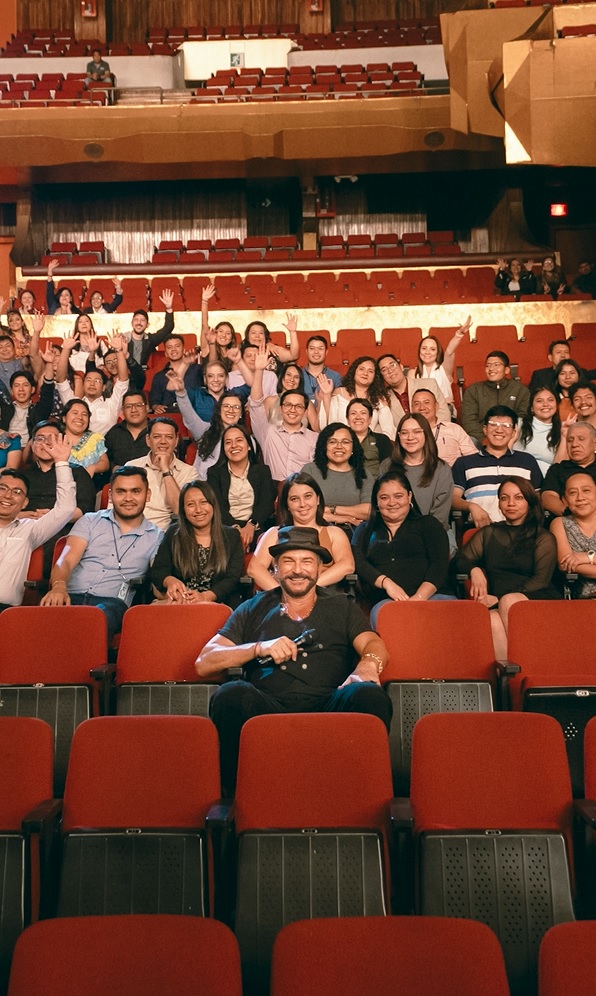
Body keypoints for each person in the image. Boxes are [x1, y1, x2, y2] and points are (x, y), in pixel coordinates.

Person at [196, 524, 392, 795]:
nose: (298, 570)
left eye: (307, 561)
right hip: (268, 707)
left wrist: (368, 665)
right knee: (230, 695)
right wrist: (258, 648)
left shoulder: (342, 606)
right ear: (275, 568)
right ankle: (235, 799)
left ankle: (366, 795)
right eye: (288, 561)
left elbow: (374, 644)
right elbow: (204, 662)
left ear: (319, 568)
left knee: (369, 694)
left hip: (330, 704)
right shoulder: (252, 608)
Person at [40, 466, 163, 641]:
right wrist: (59, 587)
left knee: (99, 617)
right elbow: (65, 560)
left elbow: (159, 576)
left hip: (112, 603)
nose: (128, 498)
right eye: (121, 492)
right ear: (111, 495)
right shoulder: (90, 521)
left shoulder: (157, 536)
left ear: (147, 495)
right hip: (70, 596)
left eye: (136, 491)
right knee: (41, 624)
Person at [454, 477, 561, 657]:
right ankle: (511, 674)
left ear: (529, 502)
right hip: (500, 603)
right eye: (504, 498)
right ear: (499, 503)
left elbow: (541, 581)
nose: (511, 503)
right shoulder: (489, 533)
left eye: (518, 498)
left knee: (508, 602)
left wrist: (499, 598)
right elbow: (459, 560)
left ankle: (532, 661)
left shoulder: (543, 537)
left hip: (536, 598)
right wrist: (474, 569)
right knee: (492, 620)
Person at [352, 468, 453, 628]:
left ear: (409, 496)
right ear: (376, 502)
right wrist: (387, 583)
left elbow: (439, 564)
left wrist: (418, 598)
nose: (392, 503)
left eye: (398, 496)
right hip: (387, 602)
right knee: (385, 613)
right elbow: (358, 561)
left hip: (433, 597)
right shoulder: (365, 530)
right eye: (384, 497)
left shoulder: (428, 524)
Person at [0, 439, 76, 610]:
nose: (8, 496)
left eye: (17, 492)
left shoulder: (30, 530)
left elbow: (66, 509)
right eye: (2, 488)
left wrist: (61, 463)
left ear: (25, 503)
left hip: (5, 612)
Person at [248, 471, 355, 591]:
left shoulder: (334, 533)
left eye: (307, 496)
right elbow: (254, 569)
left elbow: (347, 565)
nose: (302, 504)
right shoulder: (274, 533)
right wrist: (283, 594)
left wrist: (308, 590)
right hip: (280, 596)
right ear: (287, 505)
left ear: (318, 499)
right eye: (294, 499)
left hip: (323, 595)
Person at [20, 419, 97, 574]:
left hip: (64, 528)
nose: (46, 443)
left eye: (53, 438)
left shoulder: (77, 473)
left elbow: (85, 510)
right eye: (40, 439)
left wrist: (53, 517)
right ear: (32, 444)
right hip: (25, 528)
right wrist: (22, 516)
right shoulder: (22, 476)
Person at [150, 480, 244, 606]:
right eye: (190, 504)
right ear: (183, 510)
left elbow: (232, 578)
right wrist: (170, 581)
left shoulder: (231, 536)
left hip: (216, 603)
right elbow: (158, 571)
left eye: (204, 502)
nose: (198, 510)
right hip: (179, 602)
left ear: (213, 505)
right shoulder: (173, 533)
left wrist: (205, 596)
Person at [452, 405, 543, 526]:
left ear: (514, 432)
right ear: (485, 429)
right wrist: (471, 506)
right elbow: (453, 499)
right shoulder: (464, 463)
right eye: (493, 424)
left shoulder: (527, 461)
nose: (499, 430)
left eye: (506, 425)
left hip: (521, 530)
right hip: (481, 529)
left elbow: (538, 498)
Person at [248, 344, 318, 482]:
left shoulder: (313, 438)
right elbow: (255, 404)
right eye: (288, 405)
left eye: (298, 406)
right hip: (273, 488)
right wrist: (259, 370)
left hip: (302, 487)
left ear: (305, 411)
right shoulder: (268, 433)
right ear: (280, 408)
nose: (292, 409)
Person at [206, 424, 275, 552]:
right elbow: (217, 506)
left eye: (239, 440)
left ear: (249, 446)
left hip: (255, 527)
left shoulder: (262, 471)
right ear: (224, 449)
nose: (234, 446)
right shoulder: (214, 473)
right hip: (225, 528)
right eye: (228, 442)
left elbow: (266, 504)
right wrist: (234, 528)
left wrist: (251, 525)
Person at [379, 413, 454, 530]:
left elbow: (439, 518)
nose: (410, 437)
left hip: (433, 532)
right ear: (399, 436)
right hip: (394, 532)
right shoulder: (387, 466)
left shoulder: (441, 469)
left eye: (416, 432)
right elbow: (382, 506)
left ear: (426, 434)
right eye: (404, 433)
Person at [125, 416, 198, 530]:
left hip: (164, 533)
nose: (163, 442)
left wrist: (165, 470)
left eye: (169, 437)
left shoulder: (189, 472)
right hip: (130, 528)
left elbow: (179, 510)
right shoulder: (131, 467)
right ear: (148, 440)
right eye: (157, 437)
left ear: (176, 441)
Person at [55, 332, 129, 436]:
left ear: (104, 387)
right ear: (83, 385)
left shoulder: (112, 404)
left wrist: (119, 351)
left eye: (97, 381)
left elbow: (123, 379)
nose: (92, 383)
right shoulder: (74, 403)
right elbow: (61, 380)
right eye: (88, 380)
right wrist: (66, 349)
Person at [302, 423, 372, 531]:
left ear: (353, 447)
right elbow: (302, 507)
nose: (339, 446)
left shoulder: (363, 474)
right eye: (332, 442)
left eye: (345, 442)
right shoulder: (310, 470)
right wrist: (336, 518)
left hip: (354, 531)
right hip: (316, 529)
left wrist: (331, 509)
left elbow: (368, 511)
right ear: (324, 446)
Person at [461, 350, 530, 442]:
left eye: (496, 365)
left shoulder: (520, 390)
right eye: (488, 365)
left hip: (512, 438)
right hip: (482, 439)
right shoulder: (474, 390)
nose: (491, 369)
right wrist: (485, 440)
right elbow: (469, 421)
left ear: (507, 370)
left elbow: (523, 418)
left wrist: (507, 438)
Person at [319, 355, 394, 439]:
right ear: (354, 371)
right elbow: (326, 424)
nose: (365, 373)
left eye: (370, 371)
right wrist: (327, 395)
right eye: (361, 369)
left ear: (375, 376)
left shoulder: (379, 399)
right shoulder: (340, 393)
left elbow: (388, 430)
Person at [407, 318, 471, 411]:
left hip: (444, 410)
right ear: (419, 351)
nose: (427, 352)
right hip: (421, 412)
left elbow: (449, 352)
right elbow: (412, 400)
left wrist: (459, 334)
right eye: (424, 348)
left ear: (438, 353)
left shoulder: (444, 368)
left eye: (432, 349)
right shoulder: (413, 373)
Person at [551, 472, 596, 598]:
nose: (580, 497)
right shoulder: (559, 523)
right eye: (572, 493)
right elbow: (564, 564)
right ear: (564, 500)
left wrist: (587, 558)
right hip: (582, 600)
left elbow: (576, 564)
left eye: (586, 490)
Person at [377, 353, 450, 428]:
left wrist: (429, 433)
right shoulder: (382, 399)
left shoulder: (429, 384)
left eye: (392, 365)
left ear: (401, 367)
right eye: (384, 370)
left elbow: (444, 414)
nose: (390, 371)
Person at [411, 388, 477, 466]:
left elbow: (473, 458)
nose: (422, 408)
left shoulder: (454, 429)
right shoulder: (407, 433)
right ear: (411, 408)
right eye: (416, 404)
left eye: (426, 402)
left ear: (436, 406)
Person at [541, 421, 596, 516]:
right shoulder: (557, 469)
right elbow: (547, 497)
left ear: (594, 443)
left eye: (581, 439)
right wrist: (571, 515)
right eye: (570, 440)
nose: (574, 444)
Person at [514, 386, 566, 476]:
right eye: (539, 401)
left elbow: (559, 467)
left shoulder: (563, 428)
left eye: (550, 400)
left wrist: (564, 435)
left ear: (556, 406)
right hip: (517, 477)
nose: (545, 404)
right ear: (532, 408)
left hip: (547, 480)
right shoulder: (518, 424)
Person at [149, 334, 202, 413]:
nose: (173, 349)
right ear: (166, 353)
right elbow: (154, 401)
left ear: (183, 349)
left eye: (177, 346)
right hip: (169, 413)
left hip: (194, 412)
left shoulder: (197, 369)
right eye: (169, 347)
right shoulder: (159, 376)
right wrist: (157, 407)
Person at [60, 398, 109, 481]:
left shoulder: (94, 439)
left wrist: (93, 468)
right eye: (75, 413)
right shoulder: (56, 438)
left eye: (84, 414)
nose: (80, 417)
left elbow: (105, 463)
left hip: (91, 484)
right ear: (64, 418)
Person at [263, 361, 319, 431]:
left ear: (300, 382)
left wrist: (321, 400)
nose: (292, 379)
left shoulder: (306, 402)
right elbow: (260, 429)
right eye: (288, 375)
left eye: (296, 377)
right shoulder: (269, 401)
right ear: (282, 377)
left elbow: (317, 428)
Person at [127, 290, 175, 369]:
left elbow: (168, 327)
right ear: (132, 323)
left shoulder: (150, 340)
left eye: (142, 320)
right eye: (136, 320)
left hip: (145, 373)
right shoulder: (124, 339)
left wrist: (169, 308)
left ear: (147, 325)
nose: (139, 322)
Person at [346, 398, 393, 477]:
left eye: (363, 413)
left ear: (370, 419)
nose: (358, 417)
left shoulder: (382, 440)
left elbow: (390, 472)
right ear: (347, 419)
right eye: (353, 413)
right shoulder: (340, 442)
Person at [528, 340, 596, 393]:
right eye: (558, 352)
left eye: (566, 352)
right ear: (550, 357)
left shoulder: (581, 372)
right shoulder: (540, 375)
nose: (563, 355)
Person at [104, 391, 150, 469]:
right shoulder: (114, 433)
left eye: (138, 405)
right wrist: (114, 468)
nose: (134, 410)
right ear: (123, 411)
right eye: (128, 406)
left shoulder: (157, 431)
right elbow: (105, 461)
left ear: (147, 408)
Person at [199, 283, 237, 362]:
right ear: (215, 333)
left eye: (228, 333)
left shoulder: (234, 354)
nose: (224, 335)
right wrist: (204, 301)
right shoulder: (207, 348)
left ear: (231, 339)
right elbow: (204, 324)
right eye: (221, 331)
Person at [301, 334, 342, 401]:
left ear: (326, 352)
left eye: (320, 348)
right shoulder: (298, 375)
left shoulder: (336, 377)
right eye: (312, 348)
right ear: (306, 352)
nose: (316, 352)